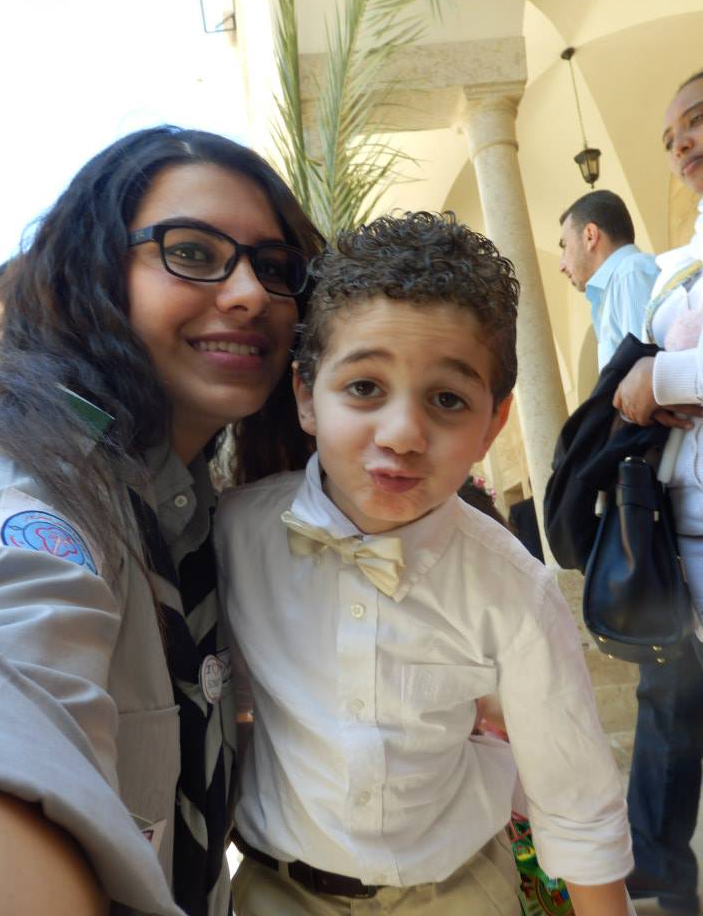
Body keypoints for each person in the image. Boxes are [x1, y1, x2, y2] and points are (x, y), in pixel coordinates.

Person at [218, 211, 633, 916]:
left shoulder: (511, 588)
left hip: (459, 892)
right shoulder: (234, 536)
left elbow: (575, 801)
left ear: (493, 424)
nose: (404, 434)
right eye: (364, 388)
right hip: (276, 892)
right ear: (306, 396)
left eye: (447, 399)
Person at [0, 125, 321, 916]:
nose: (250, 294)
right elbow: (16, 674)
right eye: (193, 252)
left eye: (276, 268)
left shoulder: (203, 514)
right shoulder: (34, 482)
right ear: (95, 275)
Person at [614, 69, 703, 916]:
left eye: (698, 122)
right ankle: (664, 881)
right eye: (672, 138)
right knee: (671, 700)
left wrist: (663, 377)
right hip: (682, 533)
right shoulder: (682, 264)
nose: (683, 146)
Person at [559, 189, 659, 371]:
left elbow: (647, 373)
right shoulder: (618, 284)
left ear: (590, 235)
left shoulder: (630, 274)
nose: (561, 265)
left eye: (564, 245)